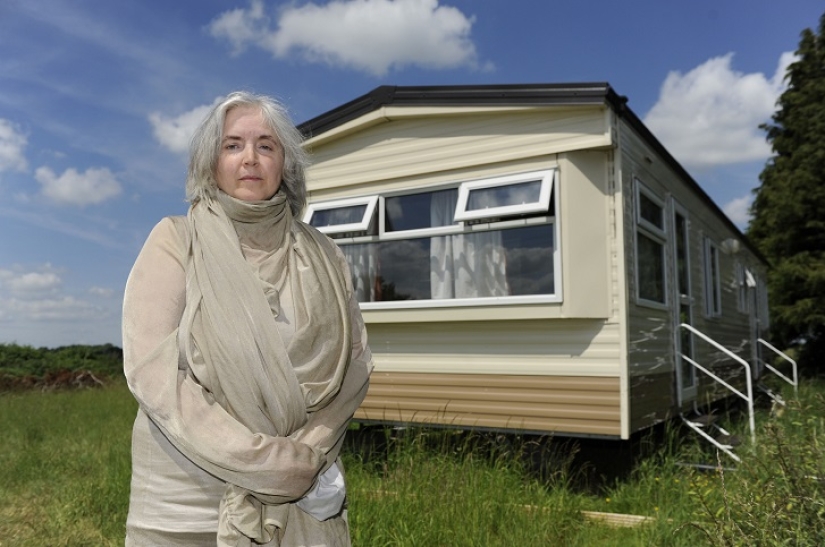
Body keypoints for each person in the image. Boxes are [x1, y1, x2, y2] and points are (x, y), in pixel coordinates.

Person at [122, 90, 372, 547]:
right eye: (232, 144)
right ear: (209, 162)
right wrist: (268, 463)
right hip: (187, 499)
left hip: (305, 492)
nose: (250, 158)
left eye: (266, 145)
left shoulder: (326, 255)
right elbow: (153, 373)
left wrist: (305, 458)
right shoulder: (175, 241)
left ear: (286, 164)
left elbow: (354, 367)